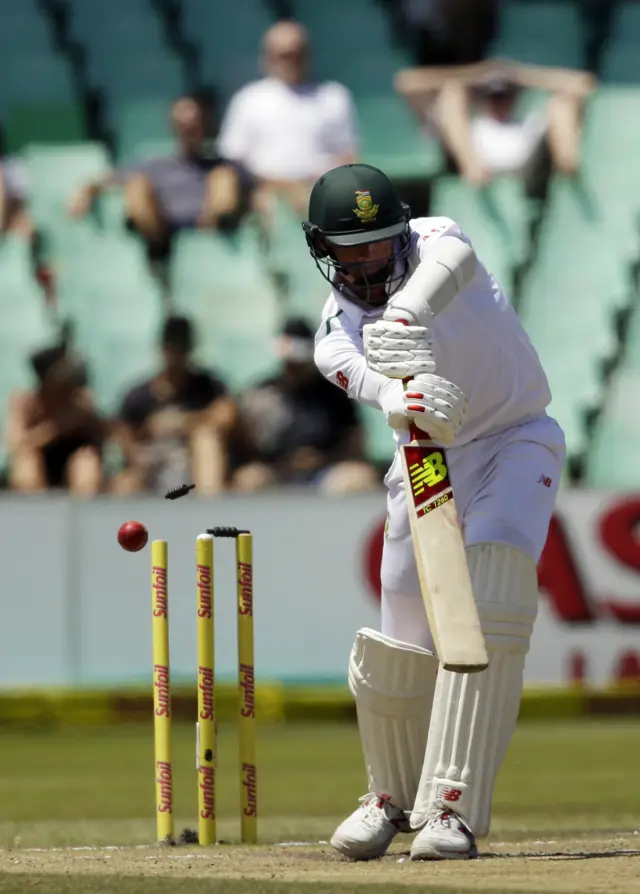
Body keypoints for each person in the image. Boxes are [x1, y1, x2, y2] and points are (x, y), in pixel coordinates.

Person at [305, 163, 565, 859]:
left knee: (494, 593)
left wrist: (404, 315)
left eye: (376, 244)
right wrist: (385, 393)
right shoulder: (340, 315)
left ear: (400, 231)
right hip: (424, 456)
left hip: (516, 436)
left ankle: (450, 806)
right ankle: (389, 797)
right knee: (403, 622)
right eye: (347, 249)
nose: (363, 262)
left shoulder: (435, 239)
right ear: (322, 247)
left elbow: (455, 258)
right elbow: (331, 353)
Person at [68, 92, 246, 256]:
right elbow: (109, 178)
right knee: (136, 185)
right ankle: (156, 256)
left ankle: (210, 249)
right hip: (163, 234)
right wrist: (87, 189)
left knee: (224, 178)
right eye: (183, 127)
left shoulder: (224, 165)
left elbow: (258, 184)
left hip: (210, 232)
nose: (189, 132)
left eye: (194, 126)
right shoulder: (156, 165)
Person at [218, 20, 358, 218]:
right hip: (264, 194)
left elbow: (348, 156)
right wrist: (284, 187)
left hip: (323, 194)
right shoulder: (248, 99)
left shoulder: (333, 96)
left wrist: (316, 188)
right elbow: (234, 161)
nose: (291, 61)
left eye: (298, 53)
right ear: (267, 57)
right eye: (283, 55)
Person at [395, 59, 596, 190]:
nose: (500, 103)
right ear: (483, 98)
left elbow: (584, 84)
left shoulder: (527, 121)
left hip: (530, 170)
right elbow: (406, 82)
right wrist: (478, 74)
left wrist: (519, 75)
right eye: (494, 97)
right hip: (480, 166)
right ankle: (471, 168)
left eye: (507, 96)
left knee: (562, 104)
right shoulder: (472, 124)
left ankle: (568, 165)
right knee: (452, 95)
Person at [232, 318, 378, 493]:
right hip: (277, 472)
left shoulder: (335, 394)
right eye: (290, 362)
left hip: (326, 473)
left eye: (299, 362)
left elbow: (354, 441)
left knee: (359, 476)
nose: (294, 367)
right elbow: (247, 446)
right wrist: (284, 461)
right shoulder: (262, 395)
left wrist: (323, 458)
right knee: (249, 478)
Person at [113, 316, 235, 495]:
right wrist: (142, 446)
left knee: (206, 440)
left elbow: (227, 415)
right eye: (172, 347)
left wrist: (182, 423)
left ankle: (209, 514)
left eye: (181, 347)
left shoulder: (208, 387)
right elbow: (123, 436)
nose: (176, 355)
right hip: (153, 466)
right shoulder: (139, 395)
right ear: (162, 348)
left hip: (192, 465)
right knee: (125, 483)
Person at [7, 345, 104, 494]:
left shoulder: (82, 403)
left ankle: (85, 513)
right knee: (26, 465)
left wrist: (87, 419)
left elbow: (100, 444)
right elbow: (17, 445)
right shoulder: (26, 403)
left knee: (86, 462)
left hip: (74, 459)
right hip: (40, 461)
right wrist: (58, 427)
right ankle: (35, 512)